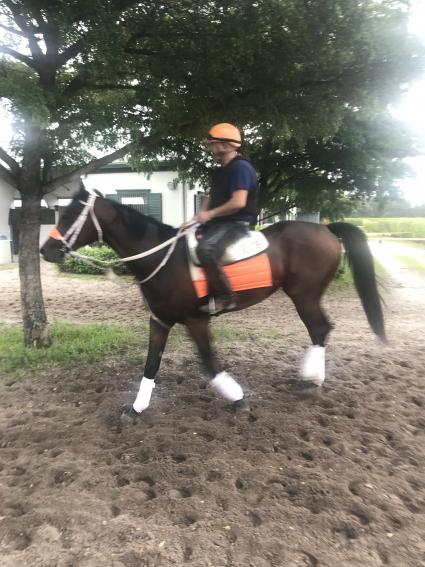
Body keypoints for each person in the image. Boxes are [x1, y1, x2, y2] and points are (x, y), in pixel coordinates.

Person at [194, 122, 258, 315]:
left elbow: (238, 202)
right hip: (217, 223)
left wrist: (210, 214)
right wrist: (196, 219)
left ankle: (226, 297)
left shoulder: (241, 168)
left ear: (225, 145)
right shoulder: (220, 170)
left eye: (212, 143)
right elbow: (211, 198)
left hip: (235, 223)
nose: (209, 147)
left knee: (205, 250)